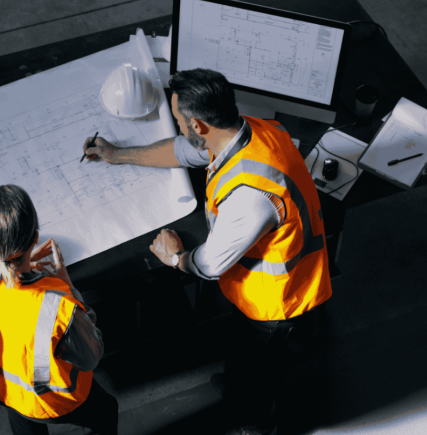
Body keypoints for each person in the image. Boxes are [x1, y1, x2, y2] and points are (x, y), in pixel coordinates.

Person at [83, 68, 332, 435]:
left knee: (256, 376)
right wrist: (118, 155)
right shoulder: (250, 131)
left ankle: (257, 424)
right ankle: (239, 389)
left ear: (199, 125)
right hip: (262, 292)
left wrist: (174, 257)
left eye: (180, 121)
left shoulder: (252, 197)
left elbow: (210, 264)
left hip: (278, 305)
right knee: (241, 358)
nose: (179, 128)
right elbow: (184, 151)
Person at [0, 185, 118, 435]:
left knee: (26, 428)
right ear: (35, 238)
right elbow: (91, 356)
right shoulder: (57, 307)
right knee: (106, 411)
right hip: (52, 403)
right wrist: (66, 285)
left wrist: (14, 272)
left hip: (3, 391)